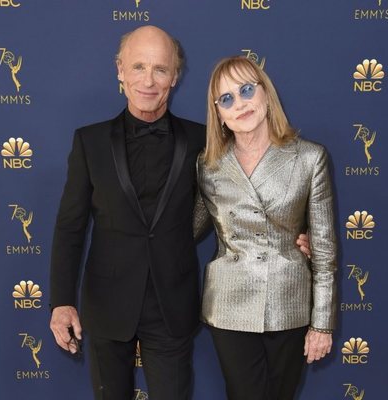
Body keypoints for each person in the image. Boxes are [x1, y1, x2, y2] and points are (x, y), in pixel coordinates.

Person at [49, 26, 311, 400]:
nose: (149, 80)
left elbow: (246, 197)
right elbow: (69, 227)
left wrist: (298, 237)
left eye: (160, 69)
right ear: (119, 70)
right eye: (138, 67)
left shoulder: (205, 142)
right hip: (106, 304)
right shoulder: (88, 142)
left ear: (175, 76)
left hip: (172, 303)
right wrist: (61, 301)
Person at [195, 56, 337, 400]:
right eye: (226, 99)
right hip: (229, 306)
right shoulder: (208, 165)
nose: (239, 104)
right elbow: (185, 229)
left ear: (265, 94)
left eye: (246, 90)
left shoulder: (309, 158)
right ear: (220, 115)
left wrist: (322, 323)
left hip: (289, 302)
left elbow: (324, 251)